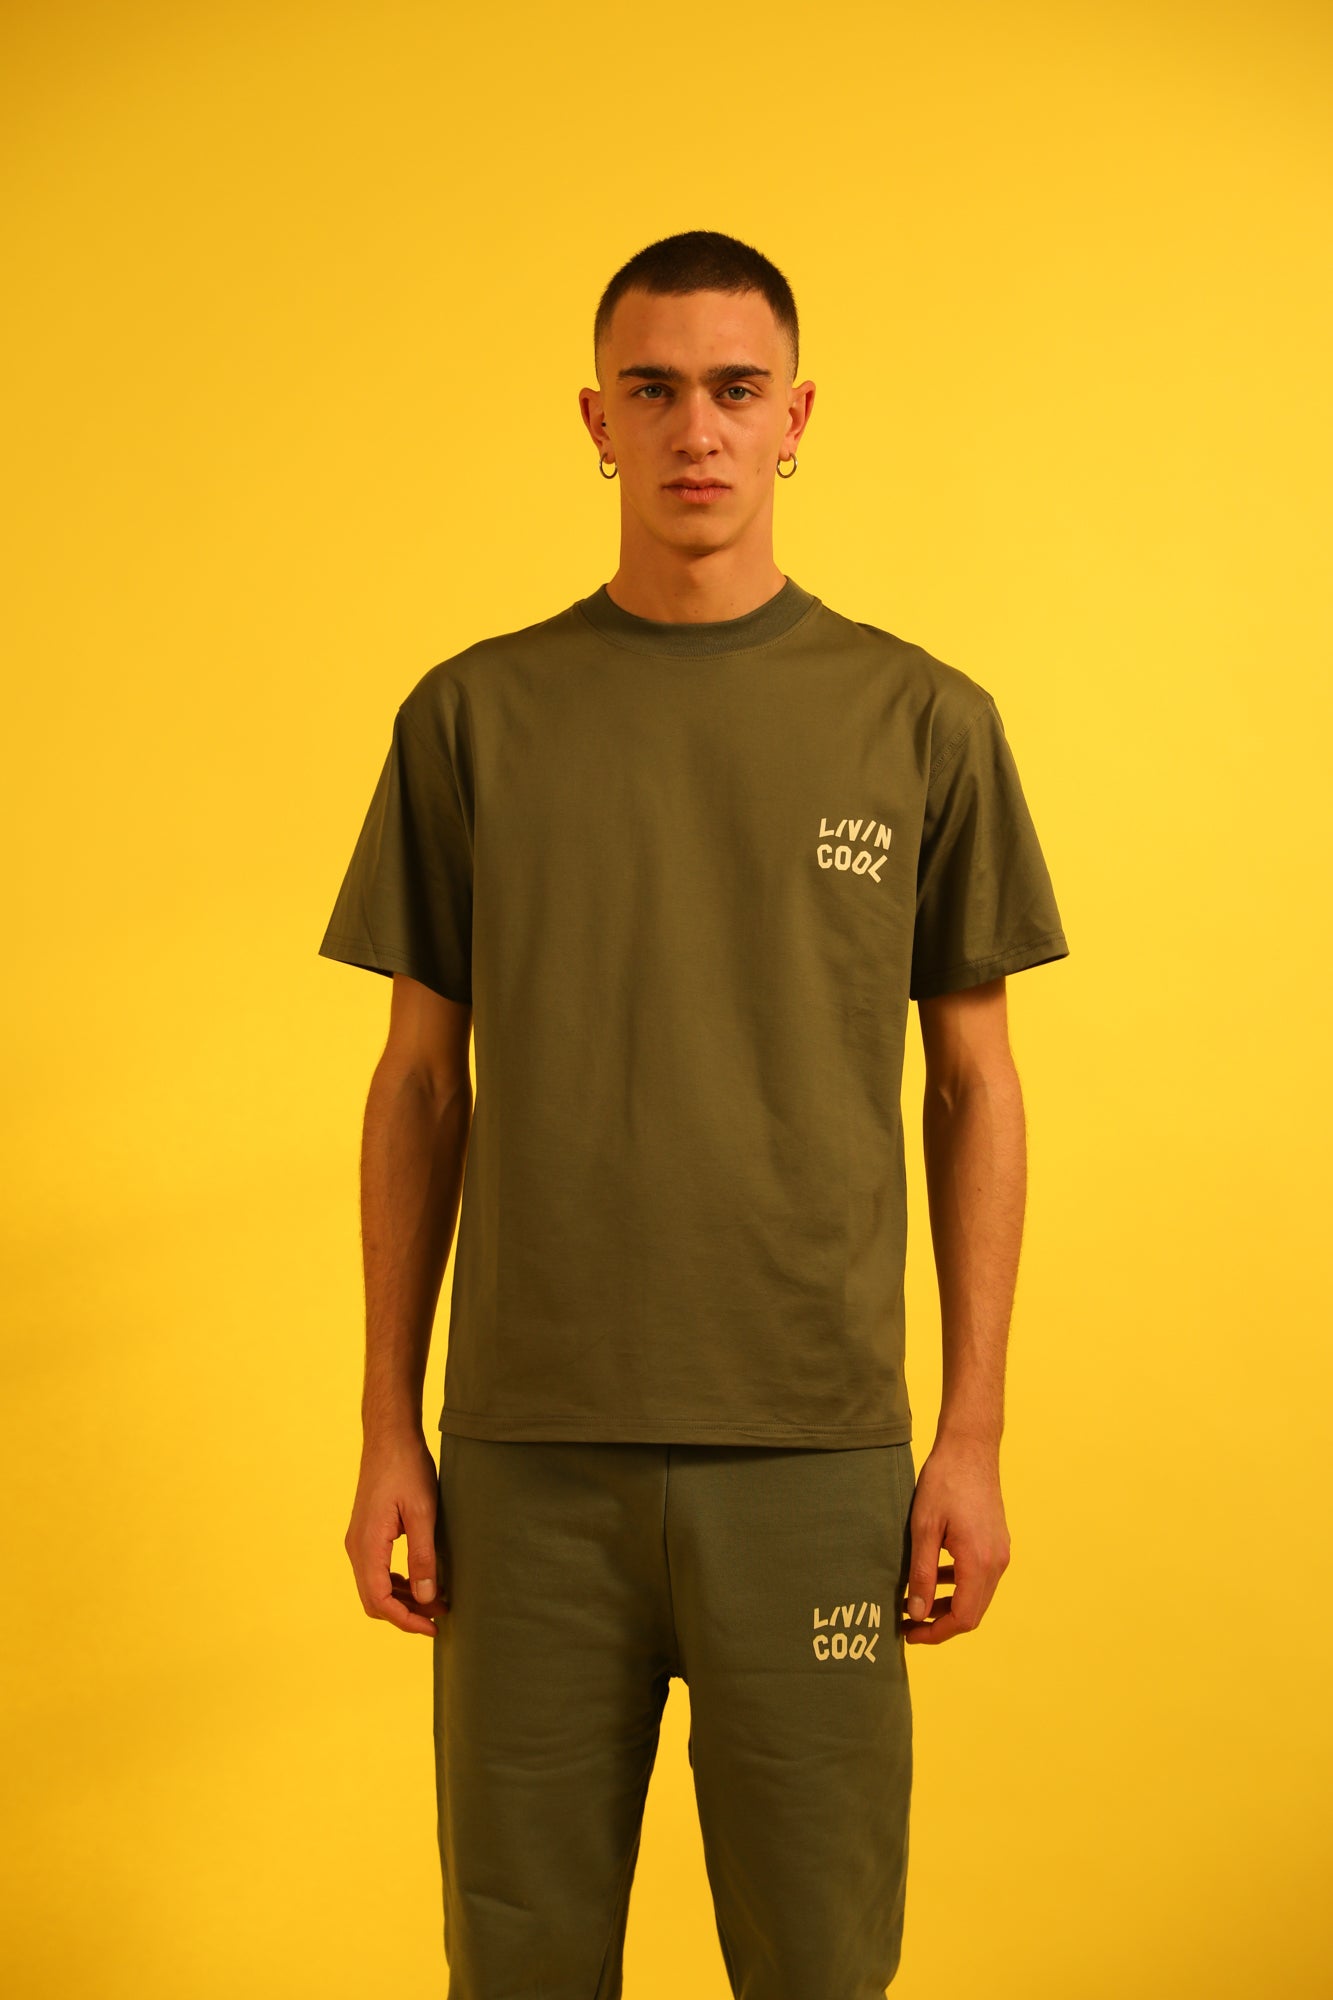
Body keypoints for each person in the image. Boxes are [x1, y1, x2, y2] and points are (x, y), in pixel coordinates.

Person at [318, 228, 1069, 1999]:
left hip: (812, 1458)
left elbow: (975, 1084)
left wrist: (968, 1436)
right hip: (527, 1463)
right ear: (595, 421)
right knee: (518, 1966)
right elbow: (417, 1081)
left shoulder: (920, 721)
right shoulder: (471, 718)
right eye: (650, 391)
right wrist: (384, 1423)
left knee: (820, 1966)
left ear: (796, 416)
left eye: (735, 390)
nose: (696, 430)